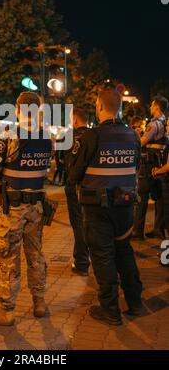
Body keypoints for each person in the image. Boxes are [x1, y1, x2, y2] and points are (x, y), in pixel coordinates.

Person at [69, 88, 142, 325]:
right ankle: (135, 302)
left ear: (99, 107)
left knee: (102, 256)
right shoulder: (133, 136)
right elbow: (136, 166)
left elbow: (73, 175)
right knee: (124, 250)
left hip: (98, 208)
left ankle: (110, 309)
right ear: (119, 108)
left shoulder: (91, 137)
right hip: (125, 206)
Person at [0, 91, 52, 326]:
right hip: (37, 207)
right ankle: (39, 302)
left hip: (14, 210)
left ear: (19, 110)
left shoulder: (9, 135)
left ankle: (6, 310)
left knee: (9, 258)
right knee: (35, 255)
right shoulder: (46, 136)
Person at [133, 96, 168, 240]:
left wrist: (136, 136)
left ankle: (138, 231)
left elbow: (142, 142)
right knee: (158, 197)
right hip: (158, 163)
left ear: (157, 107)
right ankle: (158, 229)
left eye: (152, 105)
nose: (150, 108)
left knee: (142, 196)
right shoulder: (164, 122)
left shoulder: (153, 125)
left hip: (148, 165)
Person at [64, 108, 90, 276]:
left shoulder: (70, 137)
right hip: (92, 187)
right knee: (89, 223)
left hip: (75, 186)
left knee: (78, 223)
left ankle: (81, 262)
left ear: (75, 120)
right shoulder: (94, 135)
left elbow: (68, 163)